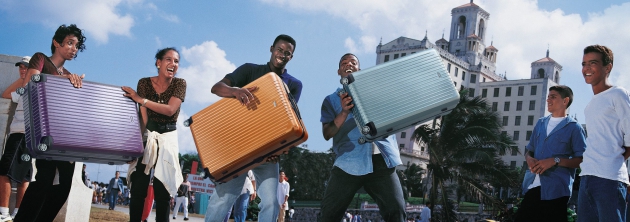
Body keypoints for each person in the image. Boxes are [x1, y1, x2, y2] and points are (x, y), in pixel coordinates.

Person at [204, 34, 302, 222]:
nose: (282, 54)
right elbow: (216, 87)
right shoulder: (249, 70)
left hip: (267, 151)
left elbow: (289, 121)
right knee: (223, 199)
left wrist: (279, 149)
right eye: (279, 49)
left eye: (287, 53)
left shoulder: (294, 84)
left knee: (271, 202)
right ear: (271, 48)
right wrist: (235, 91)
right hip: (239, 147)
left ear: (291, 57)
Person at [319, 53, 406, 221]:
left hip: (381, 161)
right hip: (348, 163)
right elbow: (327, 134)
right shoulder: (330, 100)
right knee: (328, 215)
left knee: (397, 211)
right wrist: (344, 112)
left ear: (359, 69)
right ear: (339, 71)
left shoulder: (378, 93)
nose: (348, 64)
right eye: (344, 62)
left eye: (353, 62)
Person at [13, 24, 87, 222]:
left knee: (64, 187)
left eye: (76, 45)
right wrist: (62, 82)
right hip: (44, 132)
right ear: (56, 42)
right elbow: (30, 82)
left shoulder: (70, 75)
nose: (74, 48)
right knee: (44, 180)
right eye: (70, 43)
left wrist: (75, 86)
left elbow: (72, 108)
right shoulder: (41, 59)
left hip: (64, 135)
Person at [122, 47, 186, 222]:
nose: (173, 64)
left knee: (163, 193)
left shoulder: (180, 84)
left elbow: (170, 109)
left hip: (168, 137)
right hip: (148, 135)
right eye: (169, 59)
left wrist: (141, 100)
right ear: (158, 63)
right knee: (138, 189)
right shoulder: (143, 83)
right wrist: (134, 146)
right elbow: (143, 119)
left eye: (176, 61)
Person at [515, 85, 586, 222]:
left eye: (553, 97)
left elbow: (581, 159)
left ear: (565, 101)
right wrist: (529, 159)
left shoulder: (574, 128)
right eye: (548, 97)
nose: (548, 100)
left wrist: (555, 160)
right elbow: (530, 149)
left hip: (557, 190)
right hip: (533, 185)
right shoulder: (540, 123)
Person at [577, 45, 630, 222]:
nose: (587, 68)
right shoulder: (589, 105)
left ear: (608, 67)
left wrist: (611, 161)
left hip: (609, 179)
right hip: (586, 178)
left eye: (593, 63)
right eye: (584, 64)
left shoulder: (618, 94)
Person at [0, 56, 34, 220]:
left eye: (26, 67)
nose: (22, 70)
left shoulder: (33, 88)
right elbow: (6, 94)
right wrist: (21, 80)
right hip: (27, 138)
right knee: (24, 176)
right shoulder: (24, 88)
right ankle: (18, 213)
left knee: (4, 172)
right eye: (20, 67)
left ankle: (3, 212)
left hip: (21, 135)